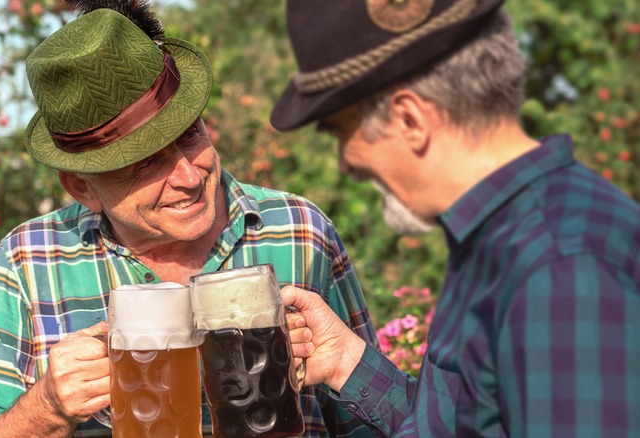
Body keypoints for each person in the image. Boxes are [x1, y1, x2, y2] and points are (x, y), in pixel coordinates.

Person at [0, 3, 379, 438]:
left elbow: (372, 427)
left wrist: (347, 370)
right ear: (82, 189)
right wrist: (47, 407)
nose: (189, 177)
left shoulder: (300, 230)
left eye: (190, 134)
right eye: (145, 164)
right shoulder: (25, 261)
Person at [272, 0, 640, 436]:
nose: (346, 164)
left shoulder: (560, 265)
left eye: (341, 133)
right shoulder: (506, 239)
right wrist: (346, 361)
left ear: (410, 119)